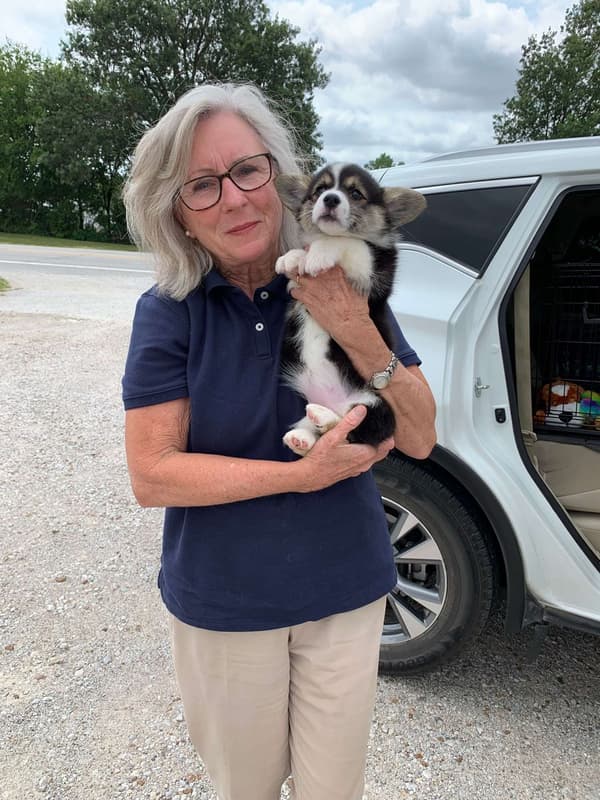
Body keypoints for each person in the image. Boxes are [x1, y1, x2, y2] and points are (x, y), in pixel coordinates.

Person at [121, 82, 436, 800]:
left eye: (247, 171)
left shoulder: (343, 278)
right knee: (247, 790)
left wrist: (355, 325)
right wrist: (298, 477)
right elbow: (152, 473)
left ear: (279, 176)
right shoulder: (170, 313)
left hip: (345, 592)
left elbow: (419, 434)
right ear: (178, 213)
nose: (233, 199)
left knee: (334, 790)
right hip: (226, 605)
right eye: (201, 185)